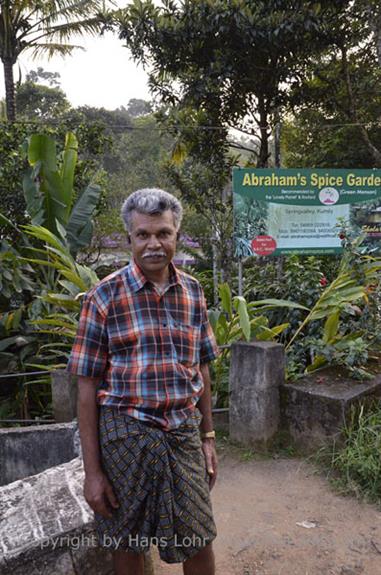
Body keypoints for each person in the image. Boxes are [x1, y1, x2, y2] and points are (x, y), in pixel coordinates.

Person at [67, 188, 219, 575]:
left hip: (181, 432)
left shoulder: (193, 292)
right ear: (130, 238)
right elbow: (86, 387)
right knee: (126, 539)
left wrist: (208, 437)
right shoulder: (103, 297)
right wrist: (93, 472)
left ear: (176, 235)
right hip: (125, 435)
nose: (154, 244)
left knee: (197, 535)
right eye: (143, 235)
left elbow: (201, 367)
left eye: (163, 234)